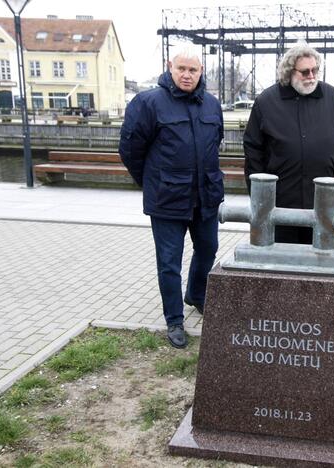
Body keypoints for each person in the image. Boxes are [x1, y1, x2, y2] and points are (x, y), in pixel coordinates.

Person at [119, 45, 224, 349]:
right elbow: (130, 150)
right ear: (170, 67)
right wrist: (151, 182)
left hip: (205, 195)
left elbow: (214, 144)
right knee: (169, 263)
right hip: (167, 200)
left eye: (193, 70)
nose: (187, 75)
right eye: (182, 69)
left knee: (209, 249)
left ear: (201, 71)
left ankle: (197, 294)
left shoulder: (211, 104)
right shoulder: (148, 102)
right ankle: (174, 319)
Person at [243, 43, 334, 244]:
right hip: (279, 199)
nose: (311, 76)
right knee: (280, 257)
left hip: (322, 199)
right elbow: (253, 148)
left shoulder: (332, 98)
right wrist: (258, 193)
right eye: (305, 72)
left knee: (320, 260)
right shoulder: (267, 101)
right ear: (289, 72)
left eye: (315, 70)